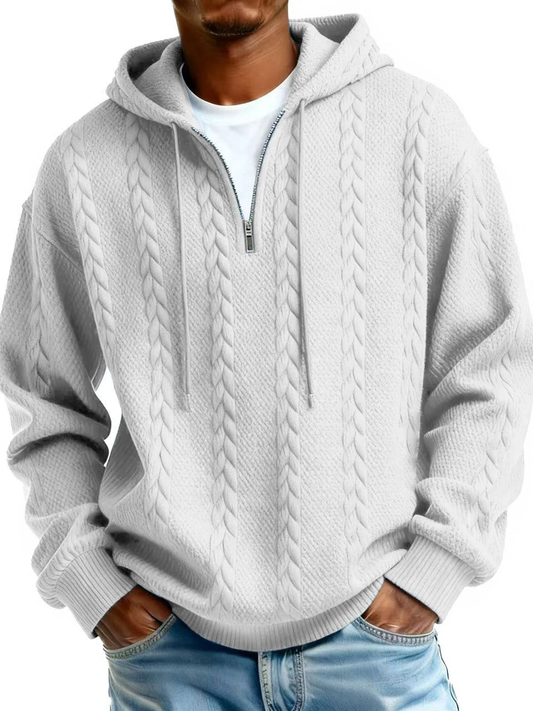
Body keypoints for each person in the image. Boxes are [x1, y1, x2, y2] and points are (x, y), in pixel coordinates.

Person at [1, 2, 532, 709]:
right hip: (170, 656)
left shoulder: (419, 127)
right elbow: (43, 397)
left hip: (375, 648)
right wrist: (93, 587)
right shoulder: (82, 164)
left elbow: (489, 364)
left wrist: (435, 568)